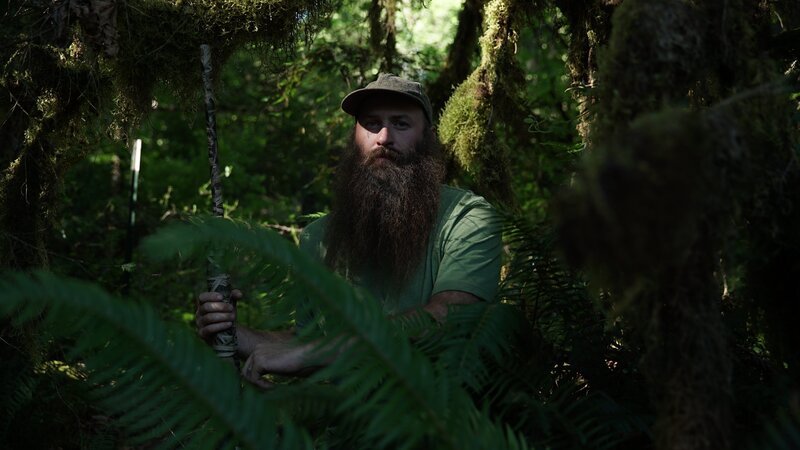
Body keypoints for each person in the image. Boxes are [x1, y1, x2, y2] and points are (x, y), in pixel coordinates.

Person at [196, 73, 502, 387]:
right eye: (371, 123)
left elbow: (450, 318)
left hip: (444, 421)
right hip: (344, 426)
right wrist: (237, 335)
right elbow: (310, 343)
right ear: (354, 136)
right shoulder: (320, 237)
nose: (383, 137)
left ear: (426, 137)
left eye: (401, 123)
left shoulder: (466, 218)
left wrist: (315, 352)